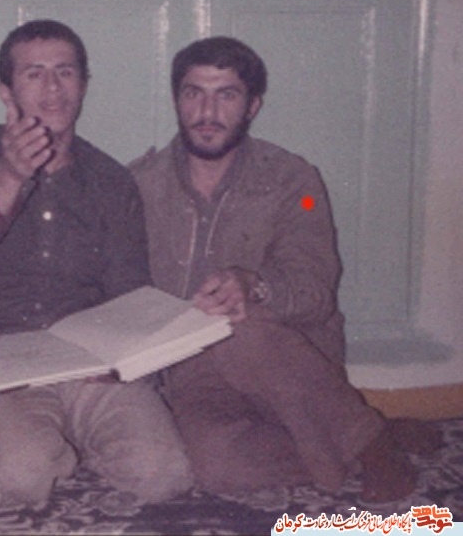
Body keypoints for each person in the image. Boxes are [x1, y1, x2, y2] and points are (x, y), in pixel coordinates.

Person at [130, 35, 429, 502]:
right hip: (194, 370)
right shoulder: (138, 185)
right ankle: (359, 433)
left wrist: (256, 287)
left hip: (285, 357)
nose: (207, 111)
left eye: (226, 95)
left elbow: (316, 291)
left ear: (253, 106)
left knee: (237, 324)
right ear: (176, 100)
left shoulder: (294, 181)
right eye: (194, 93)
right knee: (218, 468)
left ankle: (373, 448)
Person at [0, 19, 194, 507]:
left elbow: (129, 290)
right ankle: (37, 441)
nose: (52, 88)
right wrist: (11, 174)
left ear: (83, 84)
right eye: (34, 74)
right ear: (6, 91)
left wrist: (124, 360)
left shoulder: (110, 179)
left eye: (65, 72)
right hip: (4, 363)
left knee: (164, 475)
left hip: (88, 361)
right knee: (22, 478)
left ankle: (78, 440)